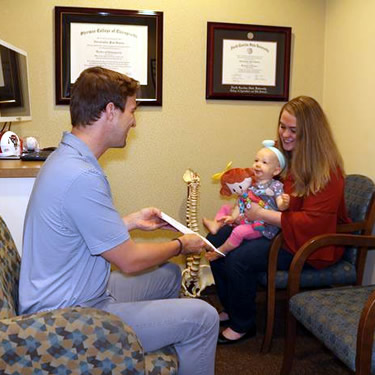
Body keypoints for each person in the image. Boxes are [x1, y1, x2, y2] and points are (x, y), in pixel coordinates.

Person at [18, 67, 219, 375]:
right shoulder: (82, 175)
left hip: (74, 292)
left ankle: (141, 355)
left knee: (166, 275)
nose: (134, 121)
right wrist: (181, 244)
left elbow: (76, 229)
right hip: (66, 318)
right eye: (132, 111)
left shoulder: (66, 158)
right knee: (204, 318)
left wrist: (130, 221)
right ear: (110, 111)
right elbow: (130, 261)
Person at [206, 95, 350, 344]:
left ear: (311, 133)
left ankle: (243, 324)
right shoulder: (285, 157)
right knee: (215, 239)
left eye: (294, 130)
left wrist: (260, 214)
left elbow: (313, 224)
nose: (285, 134)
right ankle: (233, 307)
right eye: (282, 126)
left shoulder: (328, 172)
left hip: (309, 243)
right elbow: (266, 187)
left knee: (239, 259)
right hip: (280, 228)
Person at [203, 141, 289, 258]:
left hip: (263, 226)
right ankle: (215, 225)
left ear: (276, 170)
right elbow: (241, 203)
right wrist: (232, 217)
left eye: (264, 162)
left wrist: (284, 203)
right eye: (256, 161)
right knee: (226, 210)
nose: (258, 164)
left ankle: (221, 251)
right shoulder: (252, 184)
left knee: (238, 232)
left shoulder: (276, 186)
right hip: (247, 218)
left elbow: (280, 206)